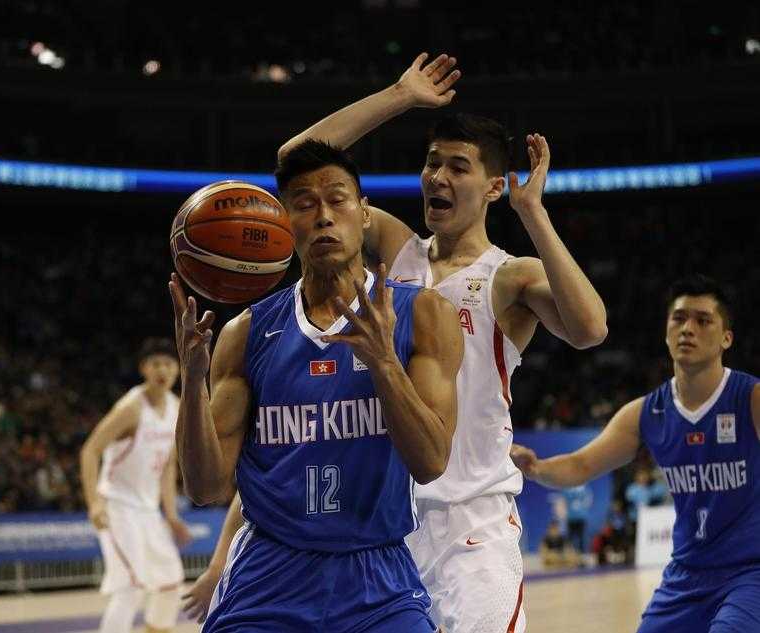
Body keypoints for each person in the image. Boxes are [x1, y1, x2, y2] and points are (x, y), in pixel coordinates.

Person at [182, 52, 608, 633]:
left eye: (458, 167)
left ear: (492, 187)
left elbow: (590, 328)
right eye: (432, 163)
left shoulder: (509, 275)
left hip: (468, 518)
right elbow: (301, 165)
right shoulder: (398, 250)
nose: (438, 177)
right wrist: (400, 96)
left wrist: (531, 211)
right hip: (389, 520)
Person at [169, 139, 464, 633]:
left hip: (378, 578)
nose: (324, 216)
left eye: (338, 199)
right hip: (269, 578)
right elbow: (205, 487)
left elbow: (431, 463)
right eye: (304, 204)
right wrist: (192, 377)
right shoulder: (247, 333)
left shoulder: (423, 313)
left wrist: (384, 363)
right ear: (284, 223)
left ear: (365, 213)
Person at [511, 274, 760, 632]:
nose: (688, 328)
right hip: (686, 574)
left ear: (726, 338)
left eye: (703, 320)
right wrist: (535, 467)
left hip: (749, 572)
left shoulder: (749, 398)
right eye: (679, 318)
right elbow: (581, 465)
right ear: (665, 331)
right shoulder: (646, 413)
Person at [79, 337, 192, 633]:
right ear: (144, 368)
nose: (163, 370)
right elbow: (90, 451)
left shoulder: (175, 407)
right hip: (116, 506)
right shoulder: (131, 408)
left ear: (177, 370)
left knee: (170, 582)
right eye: (156, 363)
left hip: (147, 511)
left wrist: (171, 515)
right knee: (131, 588)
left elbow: (167, 467)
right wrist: (94, 503)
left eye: (169, 364)